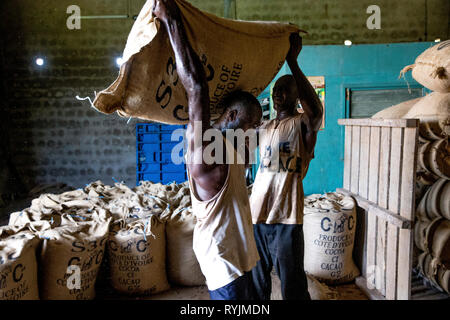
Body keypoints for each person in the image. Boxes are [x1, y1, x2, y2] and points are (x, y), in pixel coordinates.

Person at [152, 0, 261, 300]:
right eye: (251, 125)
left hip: (244, 262)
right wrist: (172, 20)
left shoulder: (231, 149)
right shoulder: (207, 153)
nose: (252, 133)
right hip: (225, 269)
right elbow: (197, 88)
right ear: (233, 117)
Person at [250, 33, 323, 300]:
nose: (278, 92)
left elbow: (315, 109)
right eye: (276, 89)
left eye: (284, 88)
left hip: (287, 218)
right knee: (257, 283)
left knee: (292, 283)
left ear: (296, 95)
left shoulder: (303, 124)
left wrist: (292, 61)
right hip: (257, 215)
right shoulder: (265, 127)